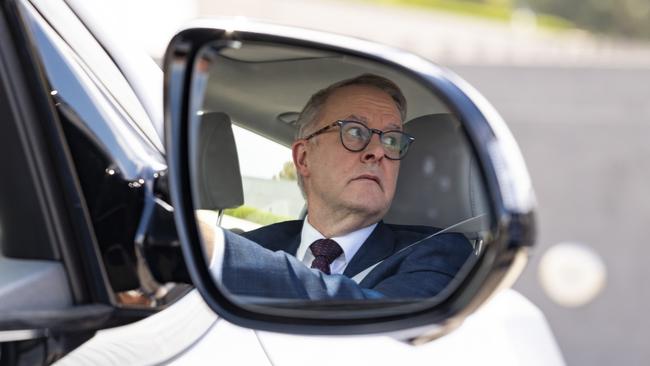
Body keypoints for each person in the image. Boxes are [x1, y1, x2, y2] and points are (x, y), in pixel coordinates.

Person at [210, 74, 472, 299]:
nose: (379, 151)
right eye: (357, 132)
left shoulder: (440, 253)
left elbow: (378, 317)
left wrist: (218, 251)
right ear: (303, 158)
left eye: (392, 140)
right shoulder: (255, 245)